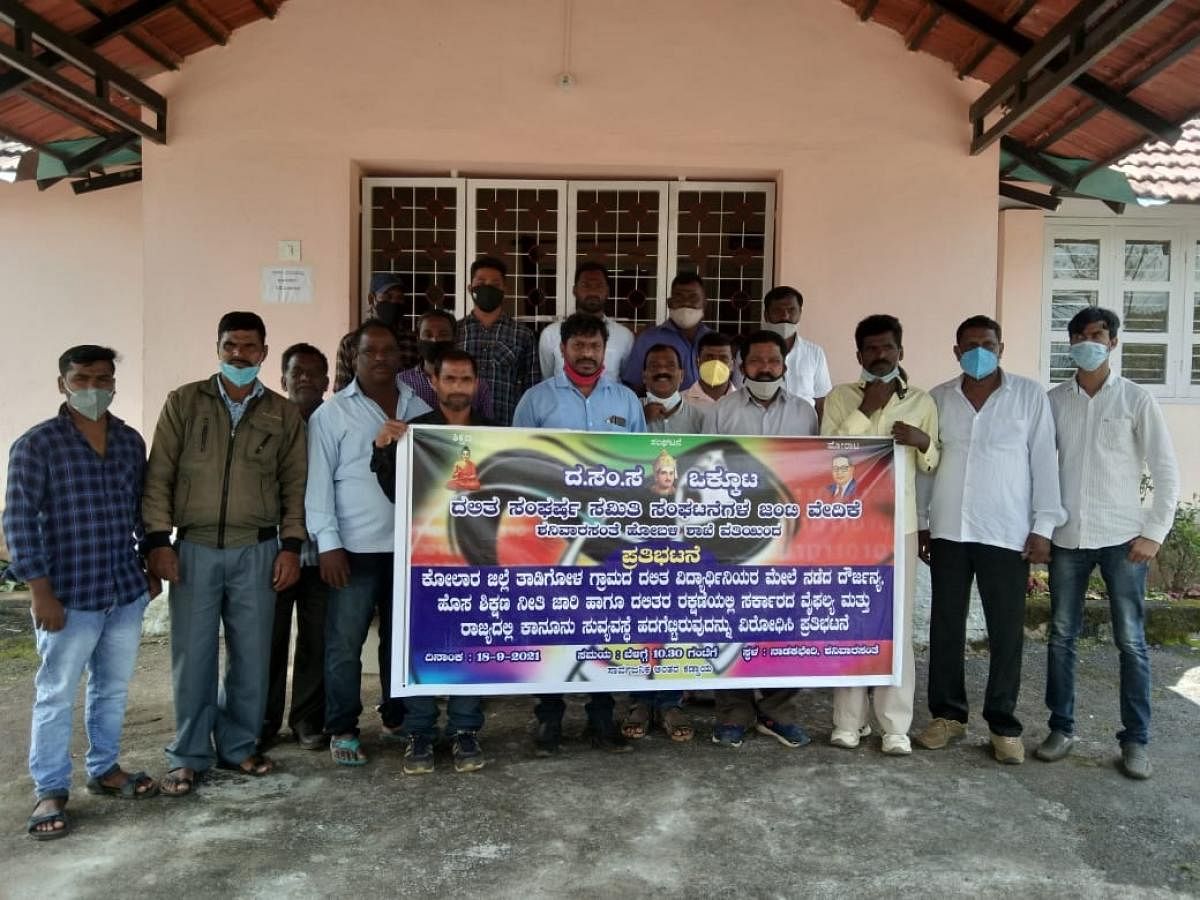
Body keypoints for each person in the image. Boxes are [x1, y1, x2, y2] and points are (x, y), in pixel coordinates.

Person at [143, 312, 308, 796]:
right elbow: (159, 477)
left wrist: (291, 546)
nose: (239, 355)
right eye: (230, 346)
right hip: (193, 548)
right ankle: (189, 753)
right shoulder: (185, 402)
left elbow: (295, 486)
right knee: (191, 655)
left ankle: (238, 746)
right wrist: (157, 541)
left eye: (249, 347)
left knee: (251, 656)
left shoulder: (282, 413)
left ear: (263, 351)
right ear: (217, 347)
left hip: (257, 549)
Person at [6, 345, 159, 840]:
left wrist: (148, 564)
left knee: (111, 688)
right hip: (67, 594)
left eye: (103, 378)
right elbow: (19, 522)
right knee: (55, 694)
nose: (94, 388)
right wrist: (39, 591)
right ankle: (50, 787)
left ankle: (105, 768)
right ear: (63, 384)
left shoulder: (130, 442)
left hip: (122, 587)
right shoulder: (37, 445)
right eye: (82, 379)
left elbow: (140, 511)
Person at [915, 315, 1065, 765]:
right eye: (969, 344)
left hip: (1007, 531)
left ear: (1001, 348)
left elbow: (1044, 462)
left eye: (987, 343)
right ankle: (947, 715)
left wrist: (1044, 527)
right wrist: (923, 520)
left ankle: (1003, 723)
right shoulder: (939, 398)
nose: (978, 350)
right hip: (949, 530)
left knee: (1005, 631)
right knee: (945, 625)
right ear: (955, 351)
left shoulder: (1029, 396)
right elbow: (928, 463)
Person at [1037, 307, 1179, 780]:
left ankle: (1135, 741)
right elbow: (1037, 467)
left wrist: (1154, 533)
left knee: (1132, 642)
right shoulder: (1054, 400)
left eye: (1097, 334)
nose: (1087, 341)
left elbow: (1165, 471)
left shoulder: (1137, 399)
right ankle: (1061, 727)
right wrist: (1041, 527)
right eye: (1078, 335)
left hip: (1124, 540)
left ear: (1113, 342)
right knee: (1061, 638)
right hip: (1068, 538)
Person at [512, 313, 646, 755]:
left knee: (606, 624)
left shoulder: (626, 401)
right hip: (551, 537)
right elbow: (517, 464)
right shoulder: (535, 400)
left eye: (595, 347)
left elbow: (641, 466)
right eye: (578, 346)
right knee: (553, 625)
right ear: (562, 350)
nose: (587, 354)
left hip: (609, 538)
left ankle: (601, 718)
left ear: (605, 351)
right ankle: (549, 720)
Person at [306, 320, 431, 770]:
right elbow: (318, 486)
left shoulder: (419, 406)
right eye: (369, 352)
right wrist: (328, 544)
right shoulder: (333, 413)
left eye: (388, 350)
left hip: (410, 549)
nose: (380, 358)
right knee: (344, 642)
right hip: (353, 548)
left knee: (401, 641)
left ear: (401, 357)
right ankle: (342, 726)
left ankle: (396, 717)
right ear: (354, 358)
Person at [820, 315, 939, 757]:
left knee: (896, 624)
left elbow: (931, 463)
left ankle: (895, 725)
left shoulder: (922, 401)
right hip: (849, 526)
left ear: (900, 351)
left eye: (887, 347)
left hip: (899, 527)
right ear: (859, 356)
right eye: (871, 349)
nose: (880, 355)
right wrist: (867, 408)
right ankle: (848, 722)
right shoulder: (840, 398)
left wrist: (922, 440)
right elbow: (828, 453)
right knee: (851, 620)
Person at [372, 348, 491, 772]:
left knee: (470, 643)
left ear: (476, 385)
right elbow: (393, 492)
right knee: (420, 642)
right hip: (422, 559)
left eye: (465, 380)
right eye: (450, 379)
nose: (458, 387)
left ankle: (465, 730)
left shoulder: (495, 434)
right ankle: (419, 732)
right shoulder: (414, 433)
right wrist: (383, 447)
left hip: (477, 558)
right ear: (435, 383)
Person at [703, 330, 816, 749]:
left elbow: (813, 473)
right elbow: (708, 468)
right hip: (732, 534)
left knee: (781, 624)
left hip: (787, 535)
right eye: (755, 361)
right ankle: (732, 713)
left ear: (785, 366)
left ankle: (778, 712)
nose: (764, 368)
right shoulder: (721, 412)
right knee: (731, 622)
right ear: (740, 366)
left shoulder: (805, 413)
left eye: (772, 361)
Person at [261, 343, 331, 751]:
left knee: (316, 641)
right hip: (275, 551)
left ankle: (307, 719)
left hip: (323, 554)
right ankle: (264, 721)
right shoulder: (269, 424)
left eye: (312, 372)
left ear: (326, 381)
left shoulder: (334, 422)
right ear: (282, 379)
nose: (304, 378)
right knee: (267, 641)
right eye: (296, 372)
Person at [456, 255, 540, 425]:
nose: (487, 288)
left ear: (504, 290)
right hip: (460, 427)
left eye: (495, 285)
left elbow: (532, 389)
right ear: (469, 288)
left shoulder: (523, 335)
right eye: (480, 283)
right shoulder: (454, 332)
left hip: (506, 428)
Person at [539, 262, 635, 381]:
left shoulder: (624, 336)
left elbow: (626, 380)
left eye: (599, 285)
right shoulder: (551, 334)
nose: (592, 292)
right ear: (574, 290)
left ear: (608, 292)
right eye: (586, 285)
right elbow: (547, 378)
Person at [620, 272, 713, 393]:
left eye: (693, 297)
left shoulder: (714, 340)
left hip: (709, 411)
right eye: (679, 297)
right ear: (669, 303)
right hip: (662, 410)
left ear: (704, 304)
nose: (686, 303)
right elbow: (634, 387)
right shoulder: (648, 339)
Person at [399, 309, 495, 420]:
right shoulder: (402, 382)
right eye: (428, 334)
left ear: (455, 338)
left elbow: (488, 429)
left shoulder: (479, 387)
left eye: (443, 334)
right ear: (418, 339)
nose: (435, 340)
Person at [334, 272, 420, 391]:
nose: (394, 302)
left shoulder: (413, 340)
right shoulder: (350, 342)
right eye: (387, 296)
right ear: (371, 299)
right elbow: (341, 391)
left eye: (399, 298)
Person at [761, 286, 831, 417]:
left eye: (791, 310)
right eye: (777, 310)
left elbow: (821, 401)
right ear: (766, 315)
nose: (785, 316)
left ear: (800, 313)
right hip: (763, 430)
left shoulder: (815, 353)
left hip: (805, 431)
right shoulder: (748, 353)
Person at [641, 343, 706, 435]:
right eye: (654, 366)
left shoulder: (699, 418)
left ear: (682, 376)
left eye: (670, 366)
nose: (662, 370)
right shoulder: (631, 410)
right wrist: (640, 418)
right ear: (644, 376)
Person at [683, 332, 738, 406]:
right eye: (709, 358)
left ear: (732, 365)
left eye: (723, 358)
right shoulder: (680, 403)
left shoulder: (744, 403)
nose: (716, 364)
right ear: (697, 363)